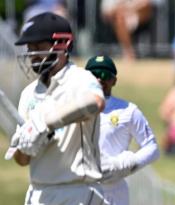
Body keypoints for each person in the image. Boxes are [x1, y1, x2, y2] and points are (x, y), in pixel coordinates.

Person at [6, 12, 108, 204]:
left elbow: (96, 102)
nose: (32, 55)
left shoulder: (80, 79)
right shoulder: (28, 94)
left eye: (39, 47)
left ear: (63, 45)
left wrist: (46, 123)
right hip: (38, 193)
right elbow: (22, 161)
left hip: (77, 191)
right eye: (29, 48)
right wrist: (27, 146)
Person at [84, 55, 160, 205]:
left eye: (105, 75)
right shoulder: (73, 108)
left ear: (114, 80)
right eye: (94, 75)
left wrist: (126, 165)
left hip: (114, 190)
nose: (99, 79)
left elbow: (152, 147)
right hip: (81, 187)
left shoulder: (128, 111)